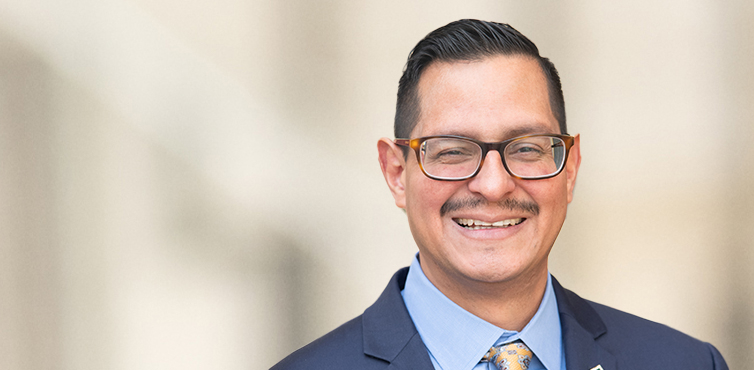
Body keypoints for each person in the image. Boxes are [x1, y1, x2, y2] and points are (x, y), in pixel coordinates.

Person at [271, 19, 728, 370]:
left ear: (570, 168)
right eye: (452, 151)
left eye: (527, 148)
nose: (493, 185)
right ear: (396, 172)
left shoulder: (684, 362)